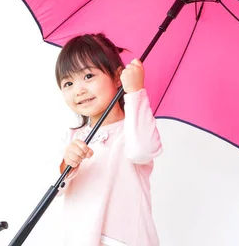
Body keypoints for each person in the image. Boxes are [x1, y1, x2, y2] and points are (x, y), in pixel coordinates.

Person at [55, 33, 163, 246]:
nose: (79, 90)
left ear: (117, 77)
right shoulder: (73, 137)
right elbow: (57, 188)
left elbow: (142, 151)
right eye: (68, 83)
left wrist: (135, 92)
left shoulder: (133, 129)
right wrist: (67, 163)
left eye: (88, 77)